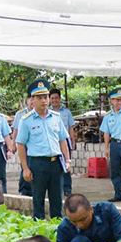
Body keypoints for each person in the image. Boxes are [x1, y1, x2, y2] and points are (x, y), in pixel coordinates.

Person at [15, 79, 71, 220]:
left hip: (56, 163)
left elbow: (63, 139)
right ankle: (39, 232)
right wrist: (25, 168)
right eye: (39, 98)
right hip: (37, 164)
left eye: (45, 97)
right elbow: (20, 145)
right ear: (32, 100)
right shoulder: (26, 120)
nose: (44, 101)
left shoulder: (56, 117)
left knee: (57, 200)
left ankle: (57, 229)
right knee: (38, 200)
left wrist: (68, 160)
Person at [56, 194, 121, 242]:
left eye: (83, 219)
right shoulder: (64, 228)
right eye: (74, 222)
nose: (80, 225)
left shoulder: (107, 211)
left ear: (91, 209)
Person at [99, 87, 121, 202]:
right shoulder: (108, 116)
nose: (119, 102)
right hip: (114, 144)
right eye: (116, 100)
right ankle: (118, 194)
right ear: (111, 101)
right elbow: (106, 133)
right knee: (115, 170)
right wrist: (107, 148)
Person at [49, 88, 76, 197]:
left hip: (65, 142)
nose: (54, 100)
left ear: (60, 99)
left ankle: (67, 188)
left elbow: (71, 128)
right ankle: (56, 188)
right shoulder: (48, 112)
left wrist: (73, 142)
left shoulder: (66, 112)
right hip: (53, 142)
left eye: (56, 98)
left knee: (66, 165)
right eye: (52, 98)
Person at [11, 90, 36, 197]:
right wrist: (13, 144)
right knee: (25, 166)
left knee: (34, 167)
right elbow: (15, 130)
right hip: (23, 145)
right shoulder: (20, 114)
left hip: (35, 144)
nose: (33, 101)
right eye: (31, 99)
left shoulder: (43, 113)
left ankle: (34, 189)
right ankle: (24, 189)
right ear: (27, 101)